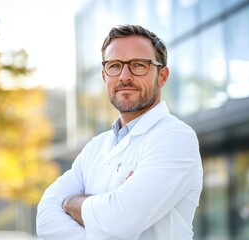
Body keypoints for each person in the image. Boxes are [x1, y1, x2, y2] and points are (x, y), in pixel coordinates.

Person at [36, 24, 203, 240]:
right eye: (114, 66)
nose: (124, 76)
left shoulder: (175, 138)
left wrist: (70, 203)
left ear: (162, 76)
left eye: (138, 65)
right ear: (105, 76)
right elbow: (45, 220)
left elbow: (119, 221)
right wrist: (101, 216)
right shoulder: (95, 147)